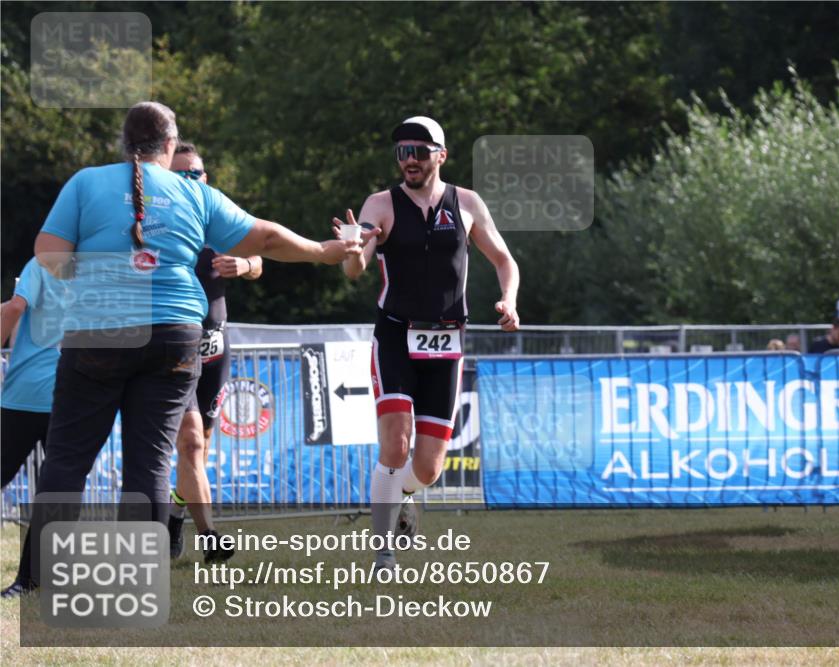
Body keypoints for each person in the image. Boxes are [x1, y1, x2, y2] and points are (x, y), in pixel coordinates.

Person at [4, 101, 368, 597]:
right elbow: (264, 235)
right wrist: (322, 252)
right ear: (170, 144)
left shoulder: (87, 183)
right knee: (150, 462)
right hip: (176, 335)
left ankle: (34, 582)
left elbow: (48, 253)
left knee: (67, 461)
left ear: (123, 142)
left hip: (100, 333)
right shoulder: (195, 194)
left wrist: (96, 279)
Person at [340, 116, 519, 569]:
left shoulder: (467, 202)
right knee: (396, 446)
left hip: (446, 341)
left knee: (428, 468)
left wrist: (508, 300)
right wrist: (352, 250)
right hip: (396, 335)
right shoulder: (381, 204)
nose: (410, 161)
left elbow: (503, 259)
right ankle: (383, 552)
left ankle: (401, 496)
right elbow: (355, 268)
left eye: (420, 151)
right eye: (403, 152)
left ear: (441, 154)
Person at [167, 142, 263, 562]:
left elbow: (261, 256)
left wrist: (244, 266)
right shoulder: (156, 224)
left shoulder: (217, 217)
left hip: (215, 351)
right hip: (173, 351)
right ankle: (210, 538)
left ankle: (173, 512)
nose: (192, 181)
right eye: (182, 174)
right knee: (189, 444)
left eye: (198, 174)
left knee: (200, 450)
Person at [1, 258, 67, 488]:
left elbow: (16, 307)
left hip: (25, 392)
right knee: (60, 482)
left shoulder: (41, 264)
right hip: (69, 397)